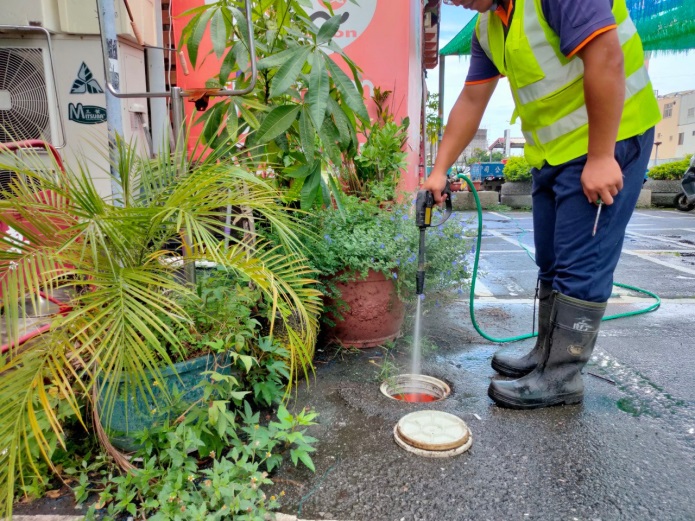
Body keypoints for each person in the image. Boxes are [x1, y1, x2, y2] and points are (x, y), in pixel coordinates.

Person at [424, 0, 660, 409]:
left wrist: (602, 156)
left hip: (607, 139)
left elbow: (605, 54)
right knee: (551, 258)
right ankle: (545, 356)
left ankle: (562, 376)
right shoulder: (488, 27)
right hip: (553, 153)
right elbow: (472, 98)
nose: (452, 0)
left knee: (580, 263)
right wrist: (439, 169)